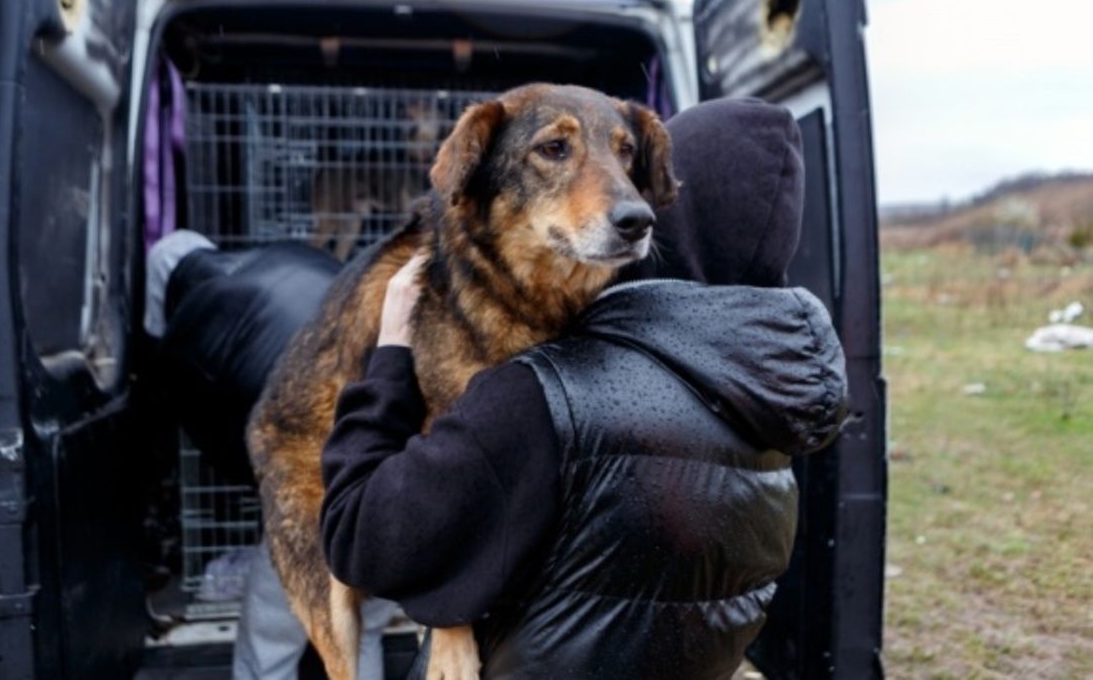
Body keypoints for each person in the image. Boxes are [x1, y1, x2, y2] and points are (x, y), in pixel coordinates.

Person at [318, 97, 849, 679]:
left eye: (631, 169)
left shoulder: (543, 395)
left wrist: (391, 357)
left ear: (672, 209)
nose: (626, 194)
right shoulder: (778, 414)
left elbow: (360, 537)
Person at [143, 234, 399, 679]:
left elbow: (230, 444)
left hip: (311, 494)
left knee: (272, 640)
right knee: (361, 630)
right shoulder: (287, 253)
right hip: (394, 472)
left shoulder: (186, 332)